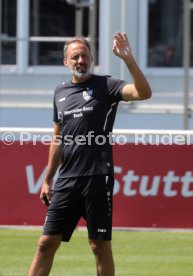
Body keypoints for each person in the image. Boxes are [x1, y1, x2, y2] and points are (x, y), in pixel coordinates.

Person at [28, 31, 152, 276]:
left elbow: (143, 93)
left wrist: (128, 60)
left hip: (97, 178)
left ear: (92, 58)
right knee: (45, 243)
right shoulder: (60, 93)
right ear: (66, 62)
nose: (80, 60)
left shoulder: (107, 85)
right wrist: (47, 179)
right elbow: (58, 138)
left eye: (84, 55)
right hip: (66, 181)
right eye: (75, 57)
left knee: (99, 245)